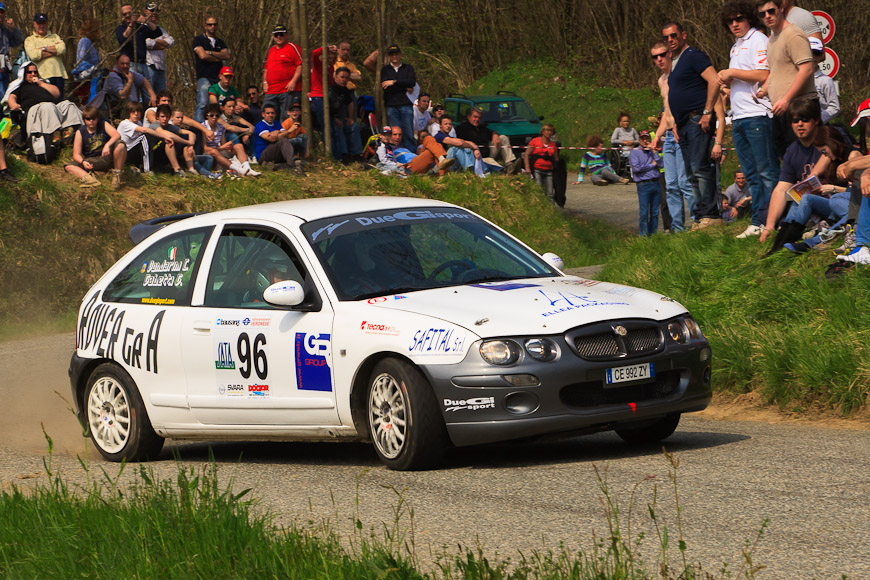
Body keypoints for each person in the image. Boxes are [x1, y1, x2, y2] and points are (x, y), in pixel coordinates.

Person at [717, 2, 779, 239]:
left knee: (767, 171)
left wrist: (732, 74)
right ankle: (758, 221)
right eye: (730, 21)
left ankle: (773, 221)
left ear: (749, 19)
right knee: (752, 174)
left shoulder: (759, 39)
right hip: (739, 116)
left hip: (758, 114)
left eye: (739, 19)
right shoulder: (736, 46)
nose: (735, 24)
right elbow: (746, 77)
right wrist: (729, 83)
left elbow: (764, 74)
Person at [663, 20, 721, 230]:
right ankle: (700, 217)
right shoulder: (676, 62)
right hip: (684, 124)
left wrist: (707, 112)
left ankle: (711, 215)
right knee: (690, 173)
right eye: (667, 37)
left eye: (674, 35)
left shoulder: (693, 56)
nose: (670, 40)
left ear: (683, 35)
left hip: (698, 119)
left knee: (700, 168)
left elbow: (714, 81)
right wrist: (677, 124)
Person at [769, 125, 858, 254]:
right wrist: (808, 185)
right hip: (835, 203)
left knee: (836, 200)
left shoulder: (853, 155)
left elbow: (859, 193)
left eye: (824, 151)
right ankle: (783, 240)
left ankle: (814, 241)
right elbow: (814, 174)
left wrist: (834, 189)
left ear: (831, 144)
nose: (824, 155)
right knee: (804, 197)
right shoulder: (831, 156)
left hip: (850, 202)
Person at [759, 98, 829, 246]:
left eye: (805, 119)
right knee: (765, 212)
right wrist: (769, 226)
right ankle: (786, 235)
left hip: (833, 198)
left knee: (803, 200)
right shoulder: (792, 150)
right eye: (795, 121)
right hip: (808, 201)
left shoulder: (830, 136)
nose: (800, 124)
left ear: (816, 120)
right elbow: (781, 188)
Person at [755, 0, 816, 157]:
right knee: (789, 159)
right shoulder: (772, 39)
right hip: (782, 109)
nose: (767, 16)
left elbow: (807, 69)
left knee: (806, 160)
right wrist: (763, 91)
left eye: (771, 11)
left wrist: (786, 99)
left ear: (781, 8)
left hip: (800, 107)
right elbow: (776, 72)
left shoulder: (793, 34)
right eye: (763, 14)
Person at [651, 41, 694, 232]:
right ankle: (677, 228)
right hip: (668, 136)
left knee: (685, 183)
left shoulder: (681, 75)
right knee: (670, 185)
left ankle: (698, 221)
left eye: (662, 55)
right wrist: (656, 137)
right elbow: (666, 114)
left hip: (682, 134)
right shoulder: (661, 80)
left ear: (669, 54)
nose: (659, 59)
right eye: (655, 57)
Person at [5, 62, 83, 136]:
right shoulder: (20, 87)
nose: (33, 74)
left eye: (35, 72)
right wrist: (14, 105)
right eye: (30, 72)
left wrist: (40, 83)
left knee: (68, 104)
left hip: (52, 107)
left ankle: (75, 132)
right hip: (34, 111)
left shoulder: (42, 84)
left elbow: (57, 93)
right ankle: (54, 135)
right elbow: (12, 97)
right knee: (48, 106)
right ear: (24, 74)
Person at [63, 105, 126, 189]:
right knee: (68, 166)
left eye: (94, 118)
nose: (91, 121)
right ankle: (89, 179)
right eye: (88, 119)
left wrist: (107, 145)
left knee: (121, 145)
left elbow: (117, 135)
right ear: (84, 120)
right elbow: (76, 154)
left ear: (97, 118)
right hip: (92, 161)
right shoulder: (80, 132)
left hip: (107, 156)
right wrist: (82, 162)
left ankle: (117, 175)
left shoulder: (103, 124)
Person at [117, 100, 185, 175]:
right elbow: (145, 130)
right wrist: (165, 136)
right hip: (125, 154)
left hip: (135, 153)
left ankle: (166, 167)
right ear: (128, 113)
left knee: (152, 142)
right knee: (145, 137)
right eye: (133, 112)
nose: (136, 114)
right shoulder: (125, 123)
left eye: (138, 112)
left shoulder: (139, 123)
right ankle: (146, 170)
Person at [201, 102, 259, 177]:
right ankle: (240, 170)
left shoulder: (220, 127)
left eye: (217, 116)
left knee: (238, 146)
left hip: (219, 151)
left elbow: (223, 143)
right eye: (211, 115)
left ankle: (247, 168)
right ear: (206, 116)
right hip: (209, 153)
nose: (214, 117)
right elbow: (204, 148)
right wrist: (221, 147)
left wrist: (229, 147)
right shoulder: (203, 127)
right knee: (214, 151)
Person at [192, 15, 231, 122]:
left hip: (218, 77)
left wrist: (209, 53)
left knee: (218, 105)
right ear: (205, 26)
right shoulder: (198, 39)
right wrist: (218, 57)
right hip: (204, 76)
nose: (212, 26)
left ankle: (216, 127)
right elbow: (202, 56)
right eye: (210, 24)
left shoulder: (220, 42)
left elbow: (227, 56)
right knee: (203, 103)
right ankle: (198, 129)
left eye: (215, 24)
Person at [455, 106, 517, 171]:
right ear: (469, 117)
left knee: (503, 137)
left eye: (479, 117)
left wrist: (495, 134)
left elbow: (490, 132)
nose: (477, 119)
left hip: (488, 153)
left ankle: (509, 164)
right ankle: (506, 170)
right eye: (475, 117)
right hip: (477, 157)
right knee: (495, 165)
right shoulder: (461, 128)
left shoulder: (481, 127)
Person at [380, 45, 417, 152]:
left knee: (408, 131)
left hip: (406, 103)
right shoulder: (385, 70)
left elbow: (412, 82)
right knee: (396, 133)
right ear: (389, 56)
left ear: (400, 55)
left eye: (396, 54)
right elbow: (386, 88)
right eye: (392, 54)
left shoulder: (408, 68)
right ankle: (398, 153)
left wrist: (394, 82)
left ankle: (411, 155)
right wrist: (404, 85)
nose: (394, 56)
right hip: (391, 104)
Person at [262, 24, 302, 121]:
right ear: (273, 37)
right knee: (268, 115)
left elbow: (300, 65)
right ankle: (271, 135)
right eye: (276, 35)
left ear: (287, 35)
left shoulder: (292, 47)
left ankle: (286, 136)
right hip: (272, 90)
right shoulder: (271, 50)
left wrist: (293, 81)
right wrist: (265, 82)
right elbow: (266, 69)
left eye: (281, 34)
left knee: (286, 117)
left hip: (287, 90)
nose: (279, 37)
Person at [629, 131, 663, 236]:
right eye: (643, 139)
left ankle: (653, 234)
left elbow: (661, 164)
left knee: (655, 212)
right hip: (643, 185)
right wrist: (652, 165)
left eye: (647, 138)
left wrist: (654, 153)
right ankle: (643, 235)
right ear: (639, 140)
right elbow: (636, 168)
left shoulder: (652, 152)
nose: (645, 141)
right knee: (644, 213)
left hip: (656, 183)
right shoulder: (634, 152)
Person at [23, 13, 66, 96]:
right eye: (39, 23)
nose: (42, 26)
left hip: (58, 74)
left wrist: (43, 49)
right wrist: (54, 50)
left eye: (44, 23)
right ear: (34, 24)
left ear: (47, 23)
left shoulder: (55, 37)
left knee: (60, 102)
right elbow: (34, 55)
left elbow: (62, 49)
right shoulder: (29, 40)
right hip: (42, 76)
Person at [329, 66, 362, 162]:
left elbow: (350, 102)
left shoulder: (345, 90)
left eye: (346, 78)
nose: (344, 80)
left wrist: (350, 118)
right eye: (342, 77)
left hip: (342, 118)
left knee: (354, 126)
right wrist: (334, 119)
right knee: (339, 127)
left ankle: (356, 154)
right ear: (335, 77)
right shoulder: (330, 90)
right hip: (331, 120)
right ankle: (344, 154)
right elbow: (324, 109)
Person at [254, 103, 296, 169]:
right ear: (263, 114)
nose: (270, 115)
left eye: (272, 113)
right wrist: (289, 131)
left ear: (275, 114)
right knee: (283, 141)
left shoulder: (277, 123)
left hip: (276, 152)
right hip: (264, 154)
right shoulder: (260, 125)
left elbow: (286, 135)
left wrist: (278, 132)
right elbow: (271, 139)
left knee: (295, 140)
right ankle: (293, 164)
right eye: (268, 113)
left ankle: (276, 166)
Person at [524, 123, 559, 202]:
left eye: (551, 131)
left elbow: (556, 158)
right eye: (547, 130)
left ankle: (551, 210)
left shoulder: (553, 145)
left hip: (549, 171)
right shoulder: (534, 141)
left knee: (550, 193)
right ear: (543, 131)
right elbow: (526, 155)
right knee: (539, 190)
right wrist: (527, 168)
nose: (549, 132)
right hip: (537, 170)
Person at [144, 4, 173, 94]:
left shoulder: (161, 29)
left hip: (161, 67)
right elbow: (146, 43)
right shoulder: (142, 28)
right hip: (149, 65)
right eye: (152, 11)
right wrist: (162, 43)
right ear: (146, 12)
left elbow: (170, 41)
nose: (154, 13)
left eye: (156, 11)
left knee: (161, 95)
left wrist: (155, 41)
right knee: (148, 95)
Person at [809, 38, 839, 123]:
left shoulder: (826, 80)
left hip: (819, 126)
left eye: (817, 53)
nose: (813, 56)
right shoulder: (795, 77)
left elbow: (834, 107)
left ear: (821, 56)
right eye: (810, 52)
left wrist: (819, 119)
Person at [0, 2, 25, 99]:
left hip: (4, 68)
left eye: (1, 12)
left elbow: (20, 40)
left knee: (4, 95)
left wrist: (13, 28)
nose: (0, 15)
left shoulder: (5, 31)